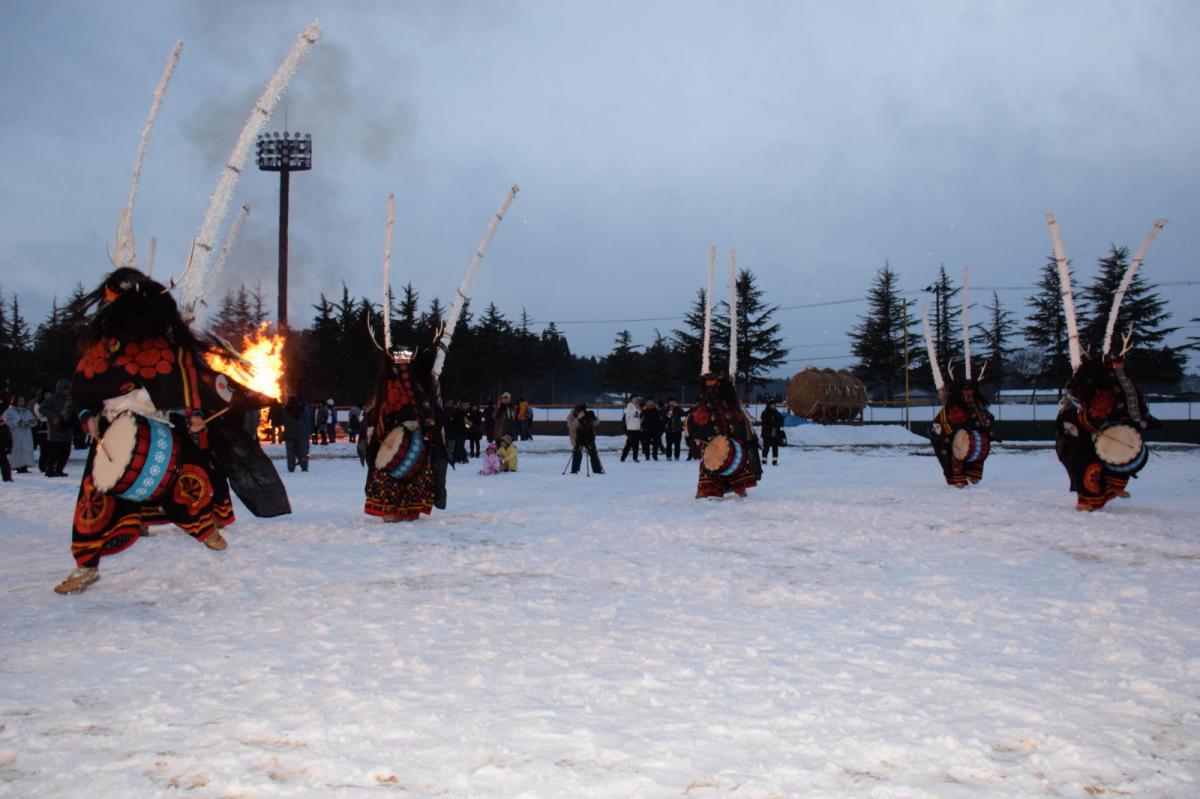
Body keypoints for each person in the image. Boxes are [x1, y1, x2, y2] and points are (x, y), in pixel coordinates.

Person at [52, 268, 251, 594]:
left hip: (160, 424)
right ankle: (85, 566)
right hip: (113, 427)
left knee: (190, 475)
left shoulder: (169, 347)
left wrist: (200, 413)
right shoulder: (103, 348)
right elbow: (84, 388)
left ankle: (203, 527)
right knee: (93, 500)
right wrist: (86, 414)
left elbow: (197, 382)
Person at [363, 327, 447, 522]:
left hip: (413, 430)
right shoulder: (387, 382)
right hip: (392, 431)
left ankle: (409, 510)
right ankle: (392, 509)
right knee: (390, 474)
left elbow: (422, 403)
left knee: (415, 474)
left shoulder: (414, 380)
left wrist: (425, 423)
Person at [1056, 352, 1157, 511]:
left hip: (1109, 431)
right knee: (1086, 462)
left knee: (1110, 458)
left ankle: (1103, 491)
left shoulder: (1120, 383)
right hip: (1085, 433)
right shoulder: (1091, 381)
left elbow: (1134, 406)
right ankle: (1089, 499)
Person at [685, 373, 762, 498]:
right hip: (713, 445)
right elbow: (693, 427)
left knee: (732, 461)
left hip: (732, 443)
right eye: (709, 388)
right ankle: (711, 489)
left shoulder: (732, 409)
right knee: (712, 463)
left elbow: (742, 426)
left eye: (714, 388)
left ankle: (737, 487)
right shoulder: (702, 410)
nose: (712, 392)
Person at [929, 377, 996, 487]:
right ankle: (957, 478)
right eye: (965, 389)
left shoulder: (976, 404)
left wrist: (986, 423)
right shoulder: (953, 405)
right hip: (953, 437)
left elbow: (986, 418)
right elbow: (942, 422)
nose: (968, 392)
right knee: (955, 448)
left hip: (972, 434)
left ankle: (973, 473)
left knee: (981, 441)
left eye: (970, 390)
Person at [2, 395, 36, 474]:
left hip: (26, 433)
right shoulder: (9, 411)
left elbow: (33, 420)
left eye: (23, 400)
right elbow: (5, 420)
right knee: (17, 449)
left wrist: (30, 423)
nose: (22, 402)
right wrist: (16, 423)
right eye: (20, 400)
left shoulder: (27, 411)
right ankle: (17, 466)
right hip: (16, 433)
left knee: (26, 449)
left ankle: (25, 466)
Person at [569, 405, 604, 475]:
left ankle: (597, 470)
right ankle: (574, 470)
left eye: (583, 410)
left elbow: (597, 422)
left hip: (589, 436)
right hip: (577, 437)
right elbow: (571, 427)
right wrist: (578, 419)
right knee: (577, 452)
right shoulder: (572, 416)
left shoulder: (587, 414)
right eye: (580, 411)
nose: (582, 412)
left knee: (593, 452)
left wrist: (592, 417)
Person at [282, 395, 312, 473]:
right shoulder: (302, 410)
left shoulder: (285, 411)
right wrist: (308, 433)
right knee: (303, 452)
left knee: (290, 454)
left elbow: (282, 422)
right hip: (301, 435)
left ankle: (291, 468)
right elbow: (307, 422)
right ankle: (304, 467)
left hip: (289, 435)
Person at [760, 400, 785, 466]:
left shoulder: (777, 412)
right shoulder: (765, 412)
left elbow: (781, 421)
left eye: (774, 404)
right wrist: (773, 422)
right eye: (772, 404)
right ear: (769, 405)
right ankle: (764, 462)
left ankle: (775, 462)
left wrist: (777, 423)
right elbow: (765, 421)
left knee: (775, 448)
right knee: (766, 448)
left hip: (775, 433)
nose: (774, 406)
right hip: (767, 433)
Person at [620, 395, 642, 462]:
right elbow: (631, 413)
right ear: (631, 400)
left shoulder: (638, 407)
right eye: (634, 398)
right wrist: (636, 408)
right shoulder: (629, 406)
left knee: (636, 444)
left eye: (637, 398)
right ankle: (623, 457)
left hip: (637, 428)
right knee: (629, 444)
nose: (636, 400)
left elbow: (639, 416)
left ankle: (635, 457)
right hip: (630, 428)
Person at [0, 412, 12, 482]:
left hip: (2, 449)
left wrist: (9, 447)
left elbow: (9, 439)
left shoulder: (5, 426)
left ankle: (7, 478)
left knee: (5, 464)